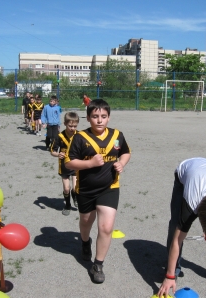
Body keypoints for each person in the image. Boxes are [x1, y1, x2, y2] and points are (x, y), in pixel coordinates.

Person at [64, 99, 131, 283]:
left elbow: (125, 152)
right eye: (95, 116)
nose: (99, 120)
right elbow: (69, 162)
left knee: (106, 227)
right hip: (85, 189)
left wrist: (121, 163)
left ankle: (98, 264)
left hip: (109, 187)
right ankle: (85, 242)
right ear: (88, 118)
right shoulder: (80, 138)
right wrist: (90, 163)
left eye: (103, 116)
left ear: (109, 118)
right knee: (86, 222)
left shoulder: (118, 136)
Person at [157, 157, 206, 297]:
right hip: (187, 171)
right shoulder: (190, 203)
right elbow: (177, 240)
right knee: (176, 226)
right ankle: (173, 270)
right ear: (198, 214)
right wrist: (169, 276)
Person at [50, 112, 79, 215]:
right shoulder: (60, 136)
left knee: (76, 188)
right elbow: (52, 151)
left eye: (75, 126)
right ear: (65, 124)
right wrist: (58, 154)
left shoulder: (79, 135)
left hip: (76, 165)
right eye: (70, 126)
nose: (72, 128)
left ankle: (75, 196)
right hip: (64, 166)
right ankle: (67, 205)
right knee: (67, 188)